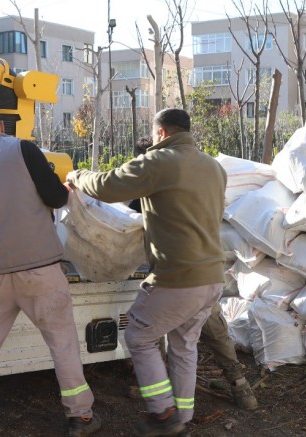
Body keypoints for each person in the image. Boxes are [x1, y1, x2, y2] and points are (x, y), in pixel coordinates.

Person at [66, 108, 226, 436]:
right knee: (184, 346)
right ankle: (182, 418)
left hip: (179, 277)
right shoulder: (214, 167)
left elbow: (108, 186)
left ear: (162, 133)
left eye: (153, 135)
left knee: (139, 336)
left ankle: (162, 413)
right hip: (212, 276)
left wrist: (75, 175)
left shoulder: (160, 161)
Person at [0, 106, 101, 437]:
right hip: (41, 269)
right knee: (63, 344)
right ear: (1, 127)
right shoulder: (22, 148)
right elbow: (56, 198)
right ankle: (81, 418)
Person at [125, 138, 257, 412]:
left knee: (152, 332)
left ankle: (162, 398)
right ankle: (240, 387)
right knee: (210, 333)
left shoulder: (154, 190)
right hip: (207, 274)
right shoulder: (200, 184)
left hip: (179, 278)